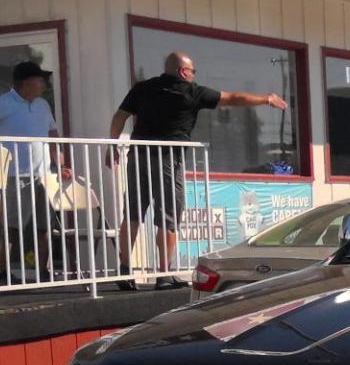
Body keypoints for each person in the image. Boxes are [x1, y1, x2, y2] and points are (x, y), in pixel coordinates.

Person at [109, 52, 288, 285]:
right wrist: (265, 99)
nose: (194, 75)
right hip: (168, 158)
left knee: (133, 214)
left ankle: (124, 271)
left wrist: (112, 146)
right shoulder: (191, 92)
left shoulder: (142, 88)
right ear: (183, 72)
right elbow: (232, 98)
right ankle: (164, 274)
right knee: (168, 217)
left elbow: (119, 117)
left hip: (138, 156)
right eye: (192, 71)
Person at [0, 60, 66, 279]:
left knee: (44, 224)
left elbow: (52, 133)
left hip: (42, 174)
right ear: (25, 83)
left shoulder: (42, 105)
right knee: (11, 225)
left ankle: (43, 270)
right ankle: (2, 271)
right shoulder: (3, 103)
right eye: (40, 80)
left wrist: (60, 163)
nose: (44, 84)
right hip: (13, 174)